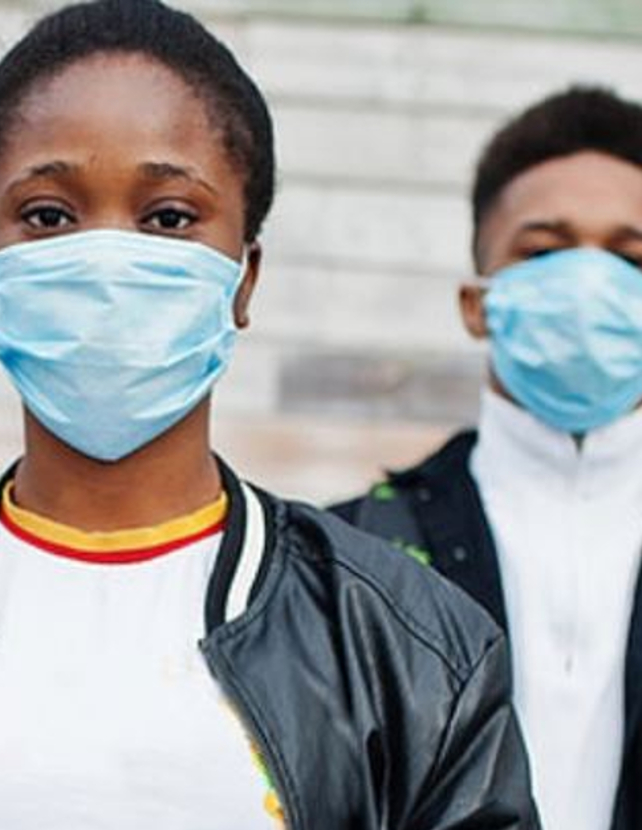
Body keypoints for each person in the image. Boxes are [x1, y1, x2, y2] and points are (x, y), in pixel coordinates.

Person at [0, 0, 539, 828]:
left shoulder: (413, 648)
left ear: (244, 279)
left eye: (170, 218)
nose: (108, 260)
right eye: (47, 215)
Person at [332, 86, 642, 830]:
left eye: (630, 257)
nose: (588, 285)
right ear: (477, 301)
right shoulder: (351, 558)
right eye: (544, 252)